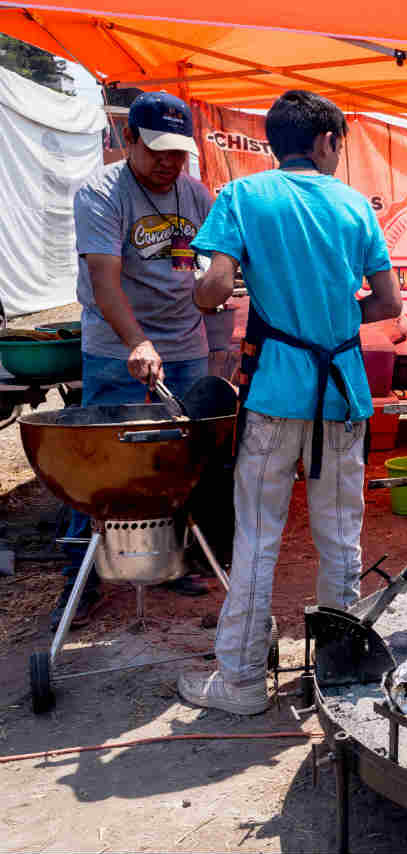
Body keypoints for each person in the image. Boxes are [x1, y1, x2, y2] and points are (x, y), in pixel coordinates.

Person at [178, 90, 402, 715]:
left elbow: (215, 285)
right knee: (340, 539)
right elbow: (387, 305)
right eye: (340, 144)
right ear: (326, 140)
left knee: (257, 538)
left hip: (275, 394)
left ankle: (243, 680)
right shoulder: (355, 205)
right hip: (341, 395)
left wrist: (205, 295)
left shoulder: (243, 197)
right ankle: (339, 678)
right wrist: (334, 315)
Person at [54, 92, 214, 630]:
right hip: (114, 346)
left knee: (178, 460)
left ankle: (171, 560)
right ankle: (82, 579)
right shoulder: (101, 193)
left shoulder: (196, 196)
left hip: (185, 344)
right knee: (101, 467)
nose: (169, 162)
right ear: (130, 141)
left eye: (179, 152)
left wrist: (218, 339)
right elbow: (104, 280)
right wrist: (136, 343)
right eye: (158, 150)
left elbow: (212, 271)